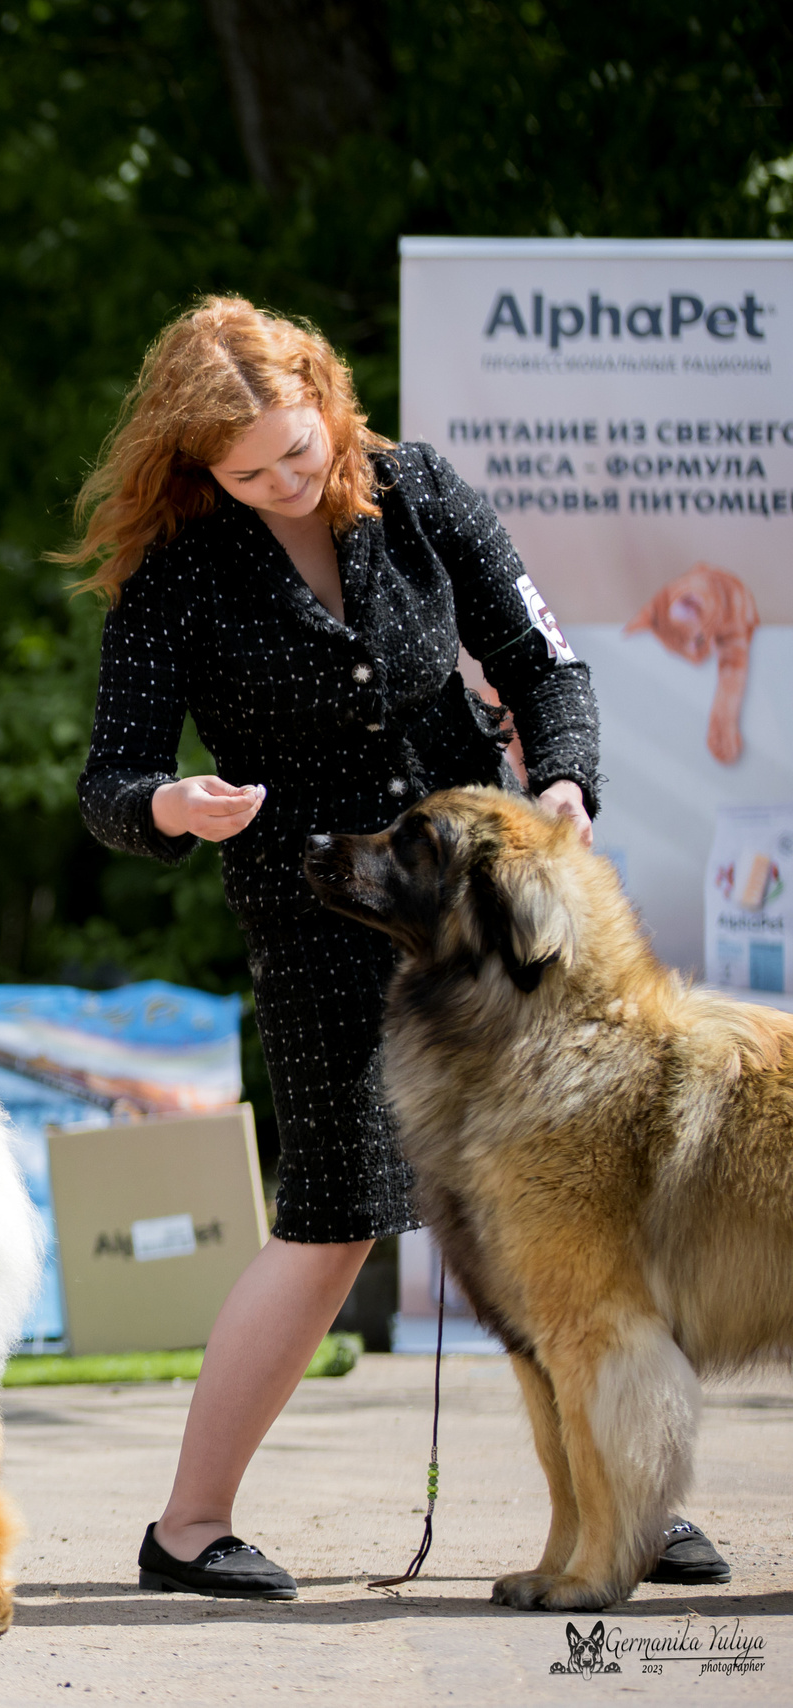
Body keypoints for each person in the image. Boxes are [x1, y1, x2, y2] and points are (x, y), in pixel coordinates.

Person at [70, 296, 728, 1597]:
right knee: (334, 1219)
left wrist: (567, 786)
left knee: (570, 1212)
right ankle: (188, 1529)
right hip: (320, 921)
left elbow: (545, 666)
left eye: (296, 451)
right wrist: (173, 806)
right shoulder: (176, 572)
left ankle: (628, 1502)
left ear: (325, 396)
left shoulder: (424, 494)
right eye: (248, 472)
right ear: (201, 466)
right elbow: (111, 779)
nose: (282, 480)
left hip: (488, 923)